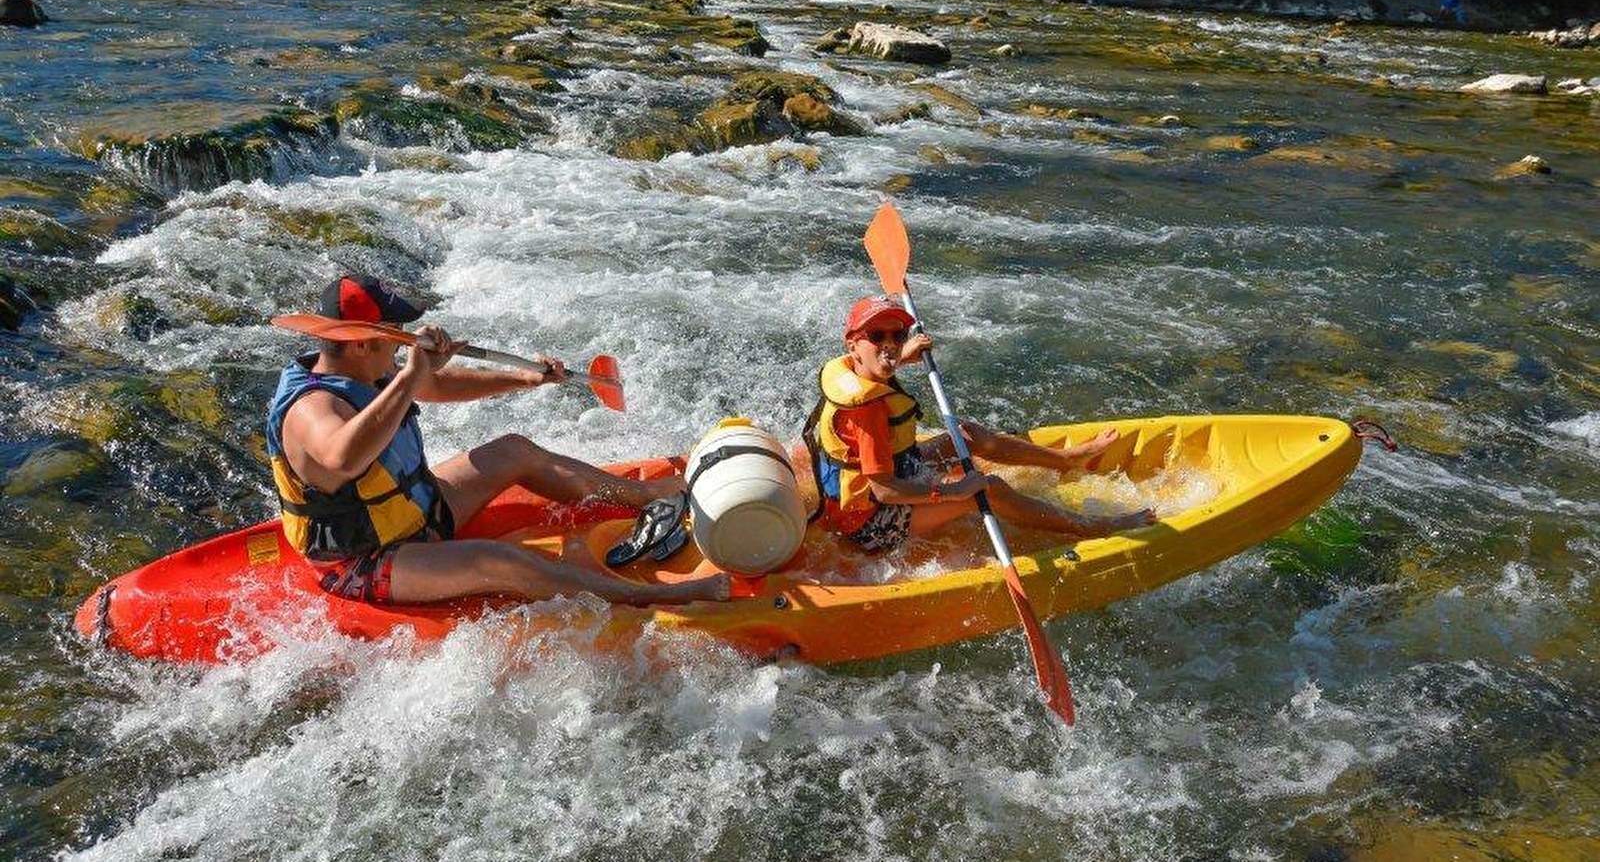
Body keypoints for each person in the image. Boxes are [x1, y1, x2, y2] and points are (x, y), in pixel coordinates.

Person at [265, 274, 729, 606]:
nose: (403, 348)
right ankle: (651, 597)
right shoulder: (310, 409)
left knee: (514, 450)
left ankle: (647, 495)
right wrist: (409, 376)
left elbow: (435, 386)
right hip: (366, 560)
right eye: (395, 339)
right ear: (362, 342)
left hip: (419, 511)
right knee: (503, 561)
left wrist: (526, 380)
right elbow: (342, 455)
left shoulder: (367, 368)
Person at [806, 295, 1156, 553]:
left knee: (967, 434)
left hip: (892, 473)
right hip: (871, 521)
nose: (889, 346)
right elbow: (885, 490)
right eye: (877, 337)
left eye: (897, 336)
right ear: (853, 345)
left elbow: (879, 365)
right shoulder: (865, 412)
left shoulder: (852, 368)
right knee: (986, 488)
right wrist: (952, 492)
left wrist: (903, 357)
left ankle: (1065, 460)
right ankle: (1092, 528)